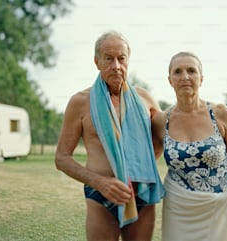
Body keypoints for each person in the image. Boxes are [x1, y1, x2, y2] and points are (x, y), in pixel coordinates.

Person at [55, 30, 165, 241]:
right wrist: (101, 182)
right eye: (109, 59)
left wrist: (137, 170)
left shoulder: (145, 99)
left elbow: (162, 140)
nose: (116, 65)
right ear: (97, 62)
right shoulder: (80, 102)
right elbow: (61, 158)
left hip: (141, 192)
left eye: (121, 58)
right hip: (100, 195)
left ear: (128, 60)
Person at [152, 51, 227, 241]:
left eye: (191, 71)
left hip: (223, 208)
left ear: (201, 79)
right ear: (170, 80)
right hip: (179, 210)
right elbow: (147, 155)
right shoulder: (161, 121)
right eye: (178, 72)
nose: (185, 77)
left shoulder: (220, 113)